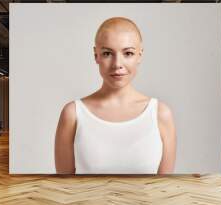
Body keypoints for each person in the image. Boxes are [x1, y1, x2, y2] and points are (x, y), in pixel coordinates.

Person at [54, 17, 176, 174]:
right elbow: (63, 188)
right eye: (107, 53)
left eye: (128, 53)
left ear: (140, 55)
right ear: (96, 55)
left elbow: (165, 190)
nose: (117, 64)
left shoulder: (161, 114)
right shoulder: (73, 114)